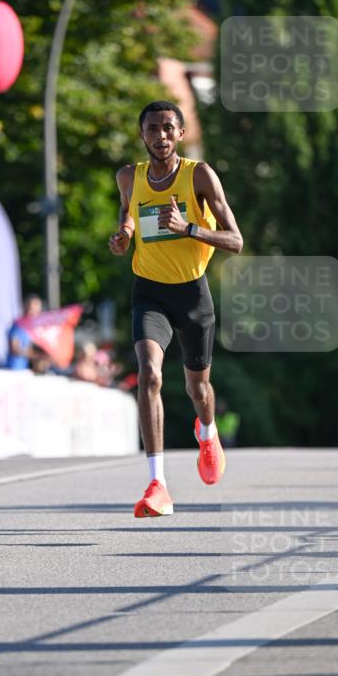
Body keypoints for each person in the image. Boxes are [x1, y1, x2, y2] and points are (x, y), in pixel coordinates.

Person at [109, 100, 243, 517]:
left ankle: (207, 431)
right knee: (149, 374)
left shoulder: (198, 175)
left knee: (198, 390)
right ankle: (158, 484)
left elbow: (236, 240)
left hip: (193, 295)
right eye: (152, 128)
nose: (161, 135)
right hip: (149, 293)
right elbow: (128, 211)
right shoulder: (128, 176)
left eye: (168, 128)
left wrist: (188, 228)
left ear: (180, 134)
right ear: (142, 135)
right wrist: (124, 234)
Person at [5, 295, 44, 370]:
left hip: (23, 369)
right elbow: (14, 349)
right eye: (32, 309)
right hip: (14, 369)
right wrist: (37, 356)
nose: (34, 312)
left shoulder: (30, 328)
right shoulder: (18, 325)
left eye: (37, 310)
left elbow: (28, 349)